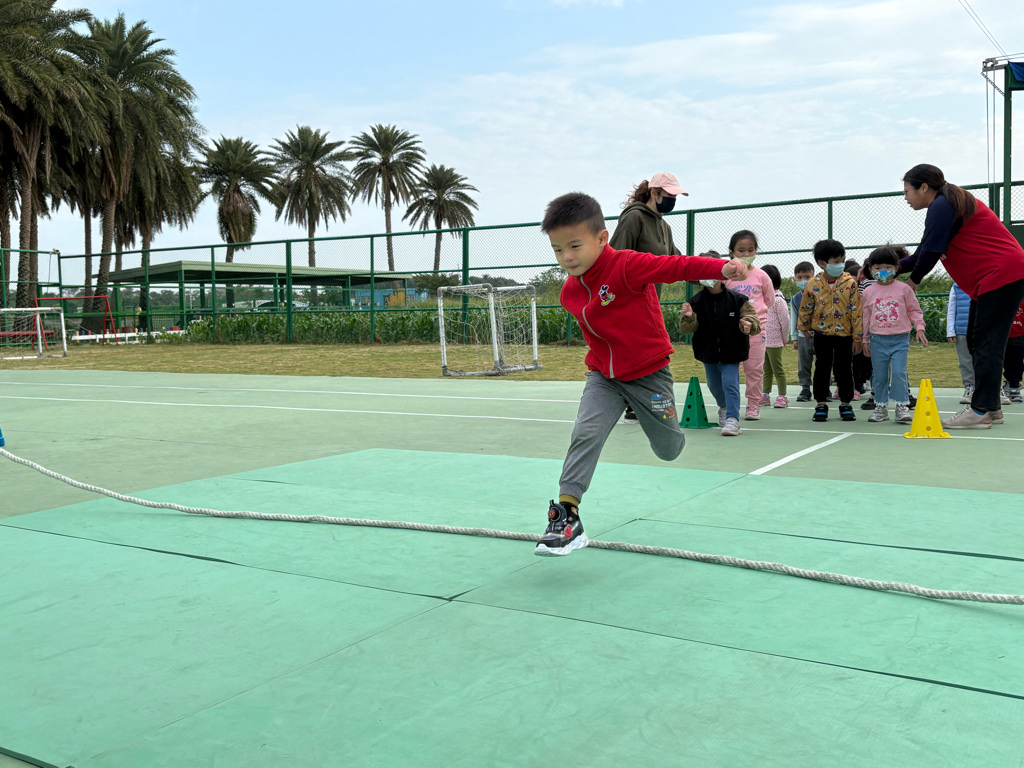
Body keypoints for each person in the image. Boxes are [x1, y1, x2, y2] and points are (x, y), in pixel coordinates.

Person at [535, 192, 748, 556]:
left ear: (602, 238)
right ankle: (567, 516)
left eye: (574, 246)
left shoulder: (627, 265)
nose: (566, 257)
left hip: (649, 374)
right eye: (557, 250)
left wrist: (720, 269)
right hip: (604, 377)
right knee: (585, 432)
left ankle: (666, 428)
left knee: (668, 450)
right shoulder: (570, 292)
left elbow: (674, 266)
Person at [899, 164, 1024, 429]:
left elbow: (930, 254)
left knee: (987, 343)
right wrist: (876, 269)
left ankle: (979, 411)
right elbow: (919, 255)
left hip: (1002, 274)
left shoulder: (942, 205)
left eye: (907, 191)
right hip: (994, 278)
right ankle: (991, 407)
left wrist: (912, 282)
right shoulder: (944, 206)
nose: (905, 197)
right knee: (977, 342)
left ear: (924, 187)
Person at [610, 172, 687, 425]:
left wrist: (713, 274)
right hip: (629, 302)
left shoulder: (665, 227)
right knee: (645, 356)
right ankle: (631, 404)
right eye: (669, 195)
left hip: (651, 303)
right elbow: (616, 257)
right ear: (654, 193)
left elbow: (677, 262)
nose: (673, 200)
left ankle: (635, 405)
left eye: (676, 196)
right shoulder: (633, 218)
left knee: (649, 357)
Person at [679, 261, 761, 436]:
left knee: (730, 383)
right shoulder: (694, 302)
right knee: (714, 384)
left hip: (732, 351)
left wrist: (748, 324)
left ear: (722, 275)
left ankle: (732, 419)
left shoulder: (738, 299)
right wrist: (688, 317)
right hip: (707, 351)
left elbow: (752, 319)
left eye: (711, 272)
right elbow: (685, 329)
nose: (708, 278)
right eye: (703, 273)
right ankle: (723, 407)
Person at [797, 238, 863, 422]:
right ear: (822, 263)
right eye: (836, 261)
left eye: (842, 260)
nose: (840, 264)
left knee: (844, 368)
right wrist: (803, 327)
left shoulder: (850, 283)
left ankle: (846, 404)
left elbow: (857, 311)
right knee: (821, 368)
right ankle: (821, 404)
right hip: (822, 334)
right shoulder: (813, 284)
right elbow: (806, 307)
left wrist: (858, 337)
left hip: (844, 335)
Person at [861, 246, 927, 424]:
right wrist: (865, 339)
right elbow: (866, 317)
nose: (883, 271)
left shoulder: (904, 289)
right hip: (877, 339)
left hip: (900, 339)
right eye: (878, 268)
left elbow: (914, 310)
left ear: (896, 268)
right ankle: (880, 406)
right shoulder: (868, 292)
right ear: (871, 270)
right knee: (879, 375)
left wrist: (919, 327)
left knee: (899, 372)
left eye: (888, 267)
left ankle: (901, 405)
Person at [723, 230, 774, 420]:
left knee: (754, 368)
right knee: (730, 369)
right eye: (741, 250)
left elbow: (768, 301)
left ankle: (753, 404)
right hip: (731, 331)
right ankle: (730, 405)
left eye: (750, 250)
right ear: (732, 252)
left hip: (755, 331)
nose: (746, 254)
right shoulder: (726, 276)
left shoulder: (762, 276)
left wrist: (753, 319)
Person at [759, 264, 790, 407]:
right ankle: (765, 395)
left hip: (775, 342)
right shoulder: (762, 299)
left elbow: (785, 322)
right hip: (763, 341)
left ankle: (782, 396)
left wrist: (785, 338)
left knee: (778, 370)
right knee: (766, 370)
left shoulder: (778, 300)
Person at [790, 261, 815, 401]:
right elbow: (794, 318)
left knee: (822, 364)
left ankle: (823, 388)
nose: (803, 280)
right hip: (802, 337)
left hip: (820, 335)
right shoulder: (795, 299)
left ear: (814, 277)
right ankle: (805, 389)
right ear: (794, 279)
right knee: (804, 364)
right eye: (799, 277)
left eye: (807, 277)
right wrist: (794, 337)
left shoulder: (820, 294)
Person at [946, 282, 975, 404]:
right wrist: (950, 331)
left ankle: (992, 389)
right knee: (965, 362)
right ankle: (970, 387)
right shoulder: (956, 286)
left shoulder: (987, 281)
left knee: (987, 360)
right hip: (962, 331)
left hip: (984, 331)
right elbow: (951, 310)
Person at [1003, 299, 1024, 404]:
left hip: (1019, 335)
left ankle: (1014, 387)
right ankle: (1009, 383)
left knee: (1017, 362)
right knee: (1006, 361)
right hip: (1003, 335)